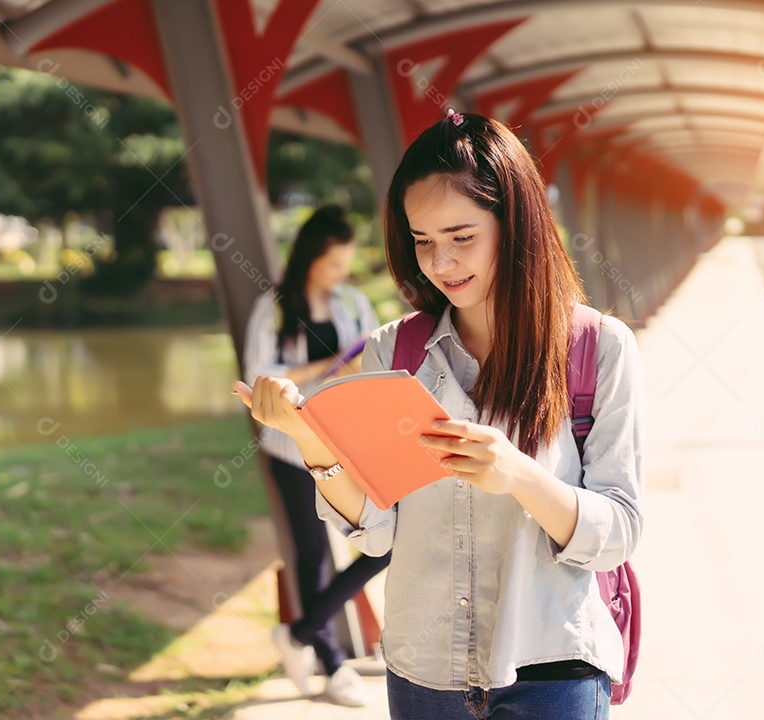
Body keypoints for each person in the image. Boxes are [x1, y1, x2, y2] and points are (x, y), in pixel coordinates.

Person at [235, 112, 644, 719]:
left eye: (461, 237)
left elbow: (620, 531)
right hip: (424, 678)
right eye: (422, 241)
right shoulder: (393, 351)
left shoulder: (598, 350)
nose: (440, 263)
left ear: (515, 225)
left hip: (553, 668)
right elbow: (377, 529)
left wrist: (519, 476)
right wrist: (309, 438)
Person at [242, 204, 390, 708]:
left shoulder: (352, 301)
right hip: (290, 444)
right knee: (314, 556)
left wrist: (353, 372)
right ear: (309, 259)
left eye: (344, 266)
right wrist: (328, 367)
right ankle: (331, 662)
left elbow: (375, 358)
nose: (339, 276)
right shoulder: (274, 307)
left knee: (385, 540)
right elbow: (260, 372)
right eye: (332, 265)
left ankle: (300, 632)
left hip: (348, 439)